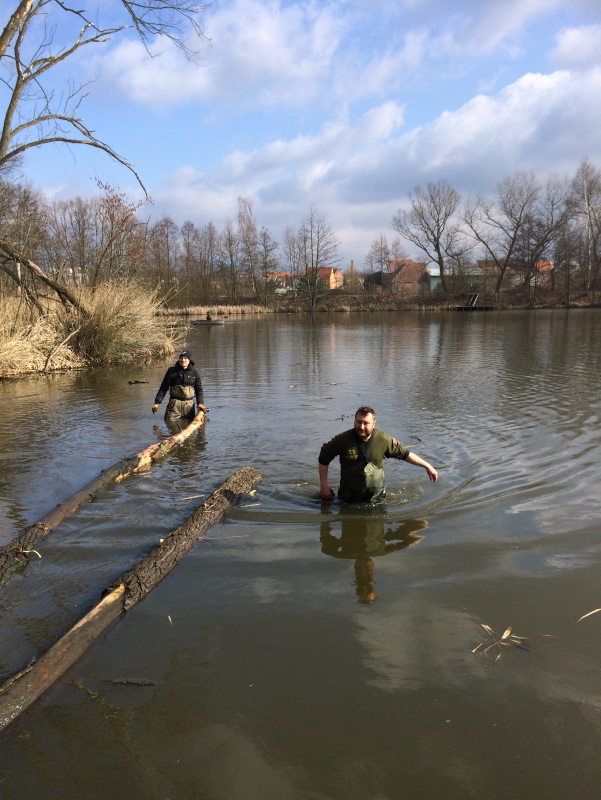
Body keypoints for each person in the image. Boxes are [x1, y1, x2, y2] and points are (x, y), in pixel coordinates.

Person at [318, 405, 438, 503]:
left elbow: (405, 454)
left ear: (374, 423)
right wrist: (324, 485)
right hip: (348, 499)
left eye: (366, 423)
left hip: (377, 500)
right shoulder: (342, 440)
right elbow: (323, 458)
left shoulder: (384, 439)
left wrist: (427, 466)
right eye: (358, 422)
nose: (361, 427)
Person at [152, 349, 205, 423]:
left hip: (189, 407)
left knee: (189, 428)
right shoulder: (171, 371)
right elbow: (163, 387)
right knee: (170, 424)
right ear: (179, 359)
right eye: (181, 358)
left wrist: (200, 403)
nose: (183, 360)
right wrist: (157, 402)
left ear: (189, 360)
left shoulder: (194, 373)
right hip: (174, 406)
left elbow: (199, 390)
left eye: (185, 358)